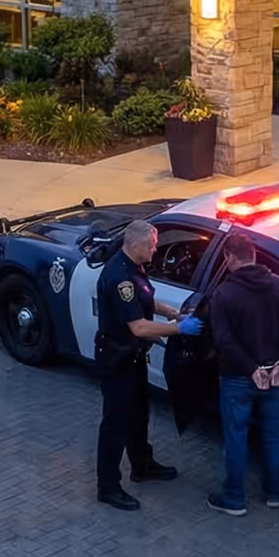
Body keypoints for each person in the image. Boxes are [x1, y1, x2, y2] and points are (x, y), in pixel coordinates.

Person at [95, 219, 202, 511]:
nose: (156, 250)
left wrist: (172, 313)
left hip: (133, 357)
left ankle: (142, 465)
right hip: (118, 360)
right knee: (116, 424)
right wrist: (180, 330)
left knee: (139, 415)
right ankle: (108, 486)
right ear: (136, 245)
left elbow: (147, 298)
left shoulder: (133, 266)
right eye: (152, 245)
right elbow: (139, 327)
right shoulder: (120, 278)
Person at [206, 233, 279, 516]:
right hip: (275, 376)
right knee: (272, 434)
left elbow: (223, 340)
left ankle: (234, 498)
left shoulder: (224, 294)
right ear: (254, 255)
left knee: (236, 437)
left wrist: (250, 369)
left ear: (231, 257)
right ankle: (273, 493)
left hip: (238, 377)